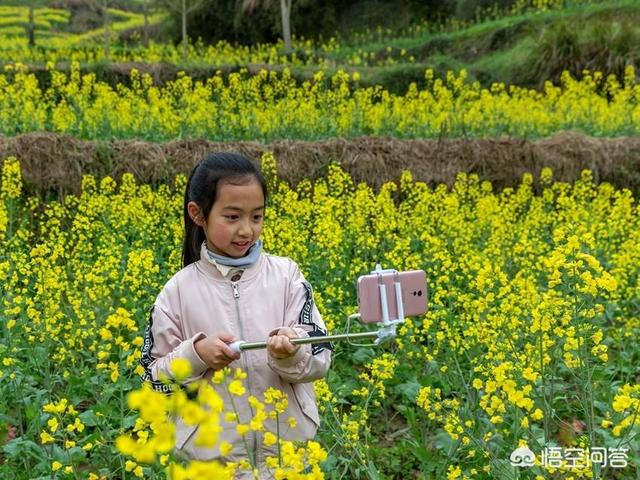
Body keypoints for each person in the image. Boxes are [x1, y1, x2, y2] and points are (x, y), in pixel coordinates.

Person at [138, 152, 332, 476]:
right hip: (214, 463)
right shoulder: (177, 292)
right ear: (198, 214)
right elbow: (153, 380)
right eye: (232, 217)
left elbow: (321, 353)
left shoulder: (287, 276)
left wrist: (291, 350)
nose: (247, 230)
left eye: (257, 217)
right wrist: (196, 354)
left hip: (285, 456)